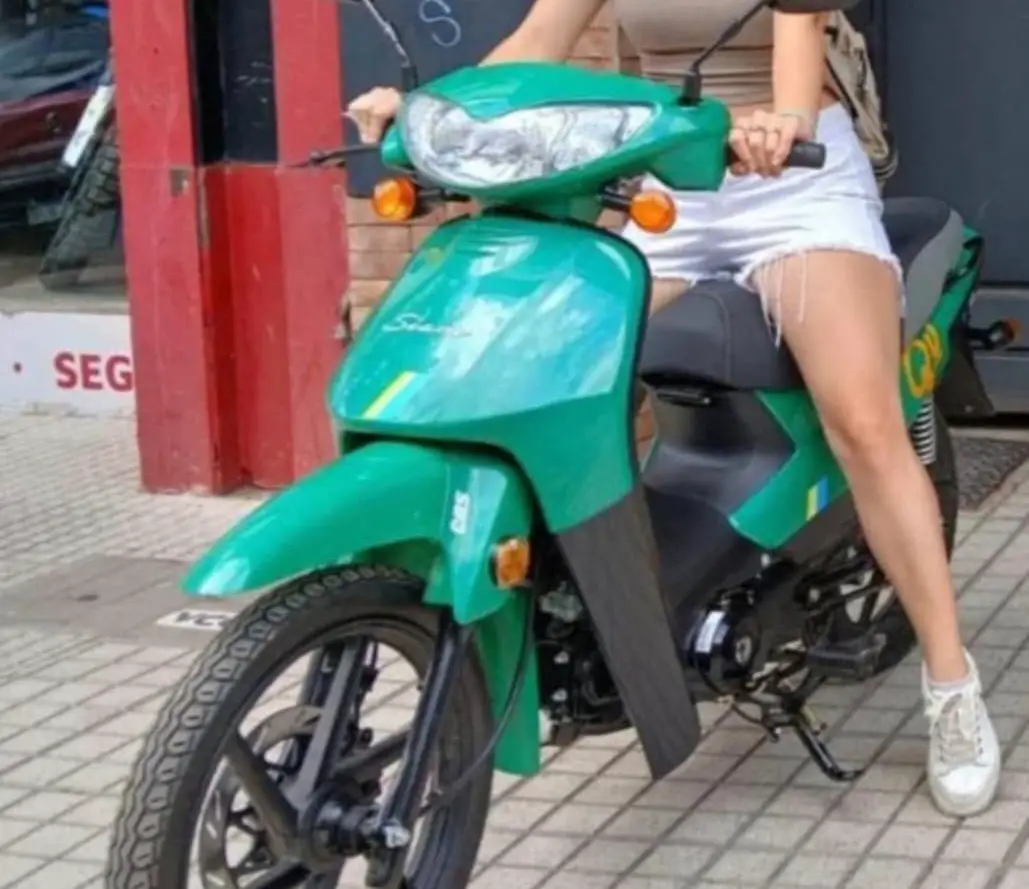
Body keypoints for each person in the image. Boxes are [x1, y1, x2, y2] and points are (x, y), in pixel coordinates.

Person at [346, 0, 1000, 817]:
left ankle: (950, 683)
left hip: (790, 180)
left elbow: (796, 51)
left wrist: (782, 122)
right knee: (548, 362)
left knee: (863, 425)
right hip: (673, 186)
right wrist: (426, 113)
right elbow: (533, 44)